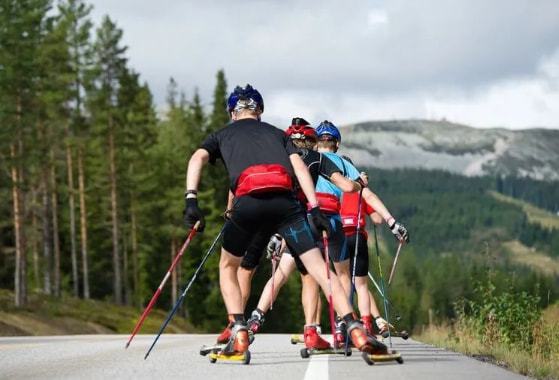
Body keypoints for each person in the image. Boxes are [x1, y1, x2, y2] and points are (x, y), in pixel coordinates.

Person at [183, 86, 382, 355]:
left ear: (232, 112)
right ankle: (355, 328)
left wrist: (192, 200)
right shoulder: (277, 134)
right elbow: (299, 167)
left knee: (229, 266)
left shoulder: (222, 134)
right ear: (260, 111)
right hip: (286, 206)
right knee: (319, 268)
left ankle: (239, 329)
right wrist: (314, 208)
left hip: (248, 204)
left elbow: (198, 157)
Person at [315, 121, 409, 336]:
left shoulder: (308, 161)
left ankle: (321, 327)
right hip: (353, 232)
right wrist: (392, 222)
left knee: (321, 278)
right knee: (359, 283)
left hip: (317, 224)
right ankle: (364, 325)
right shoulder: (346, 169)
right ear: (336, 143)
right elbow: (374, 213)